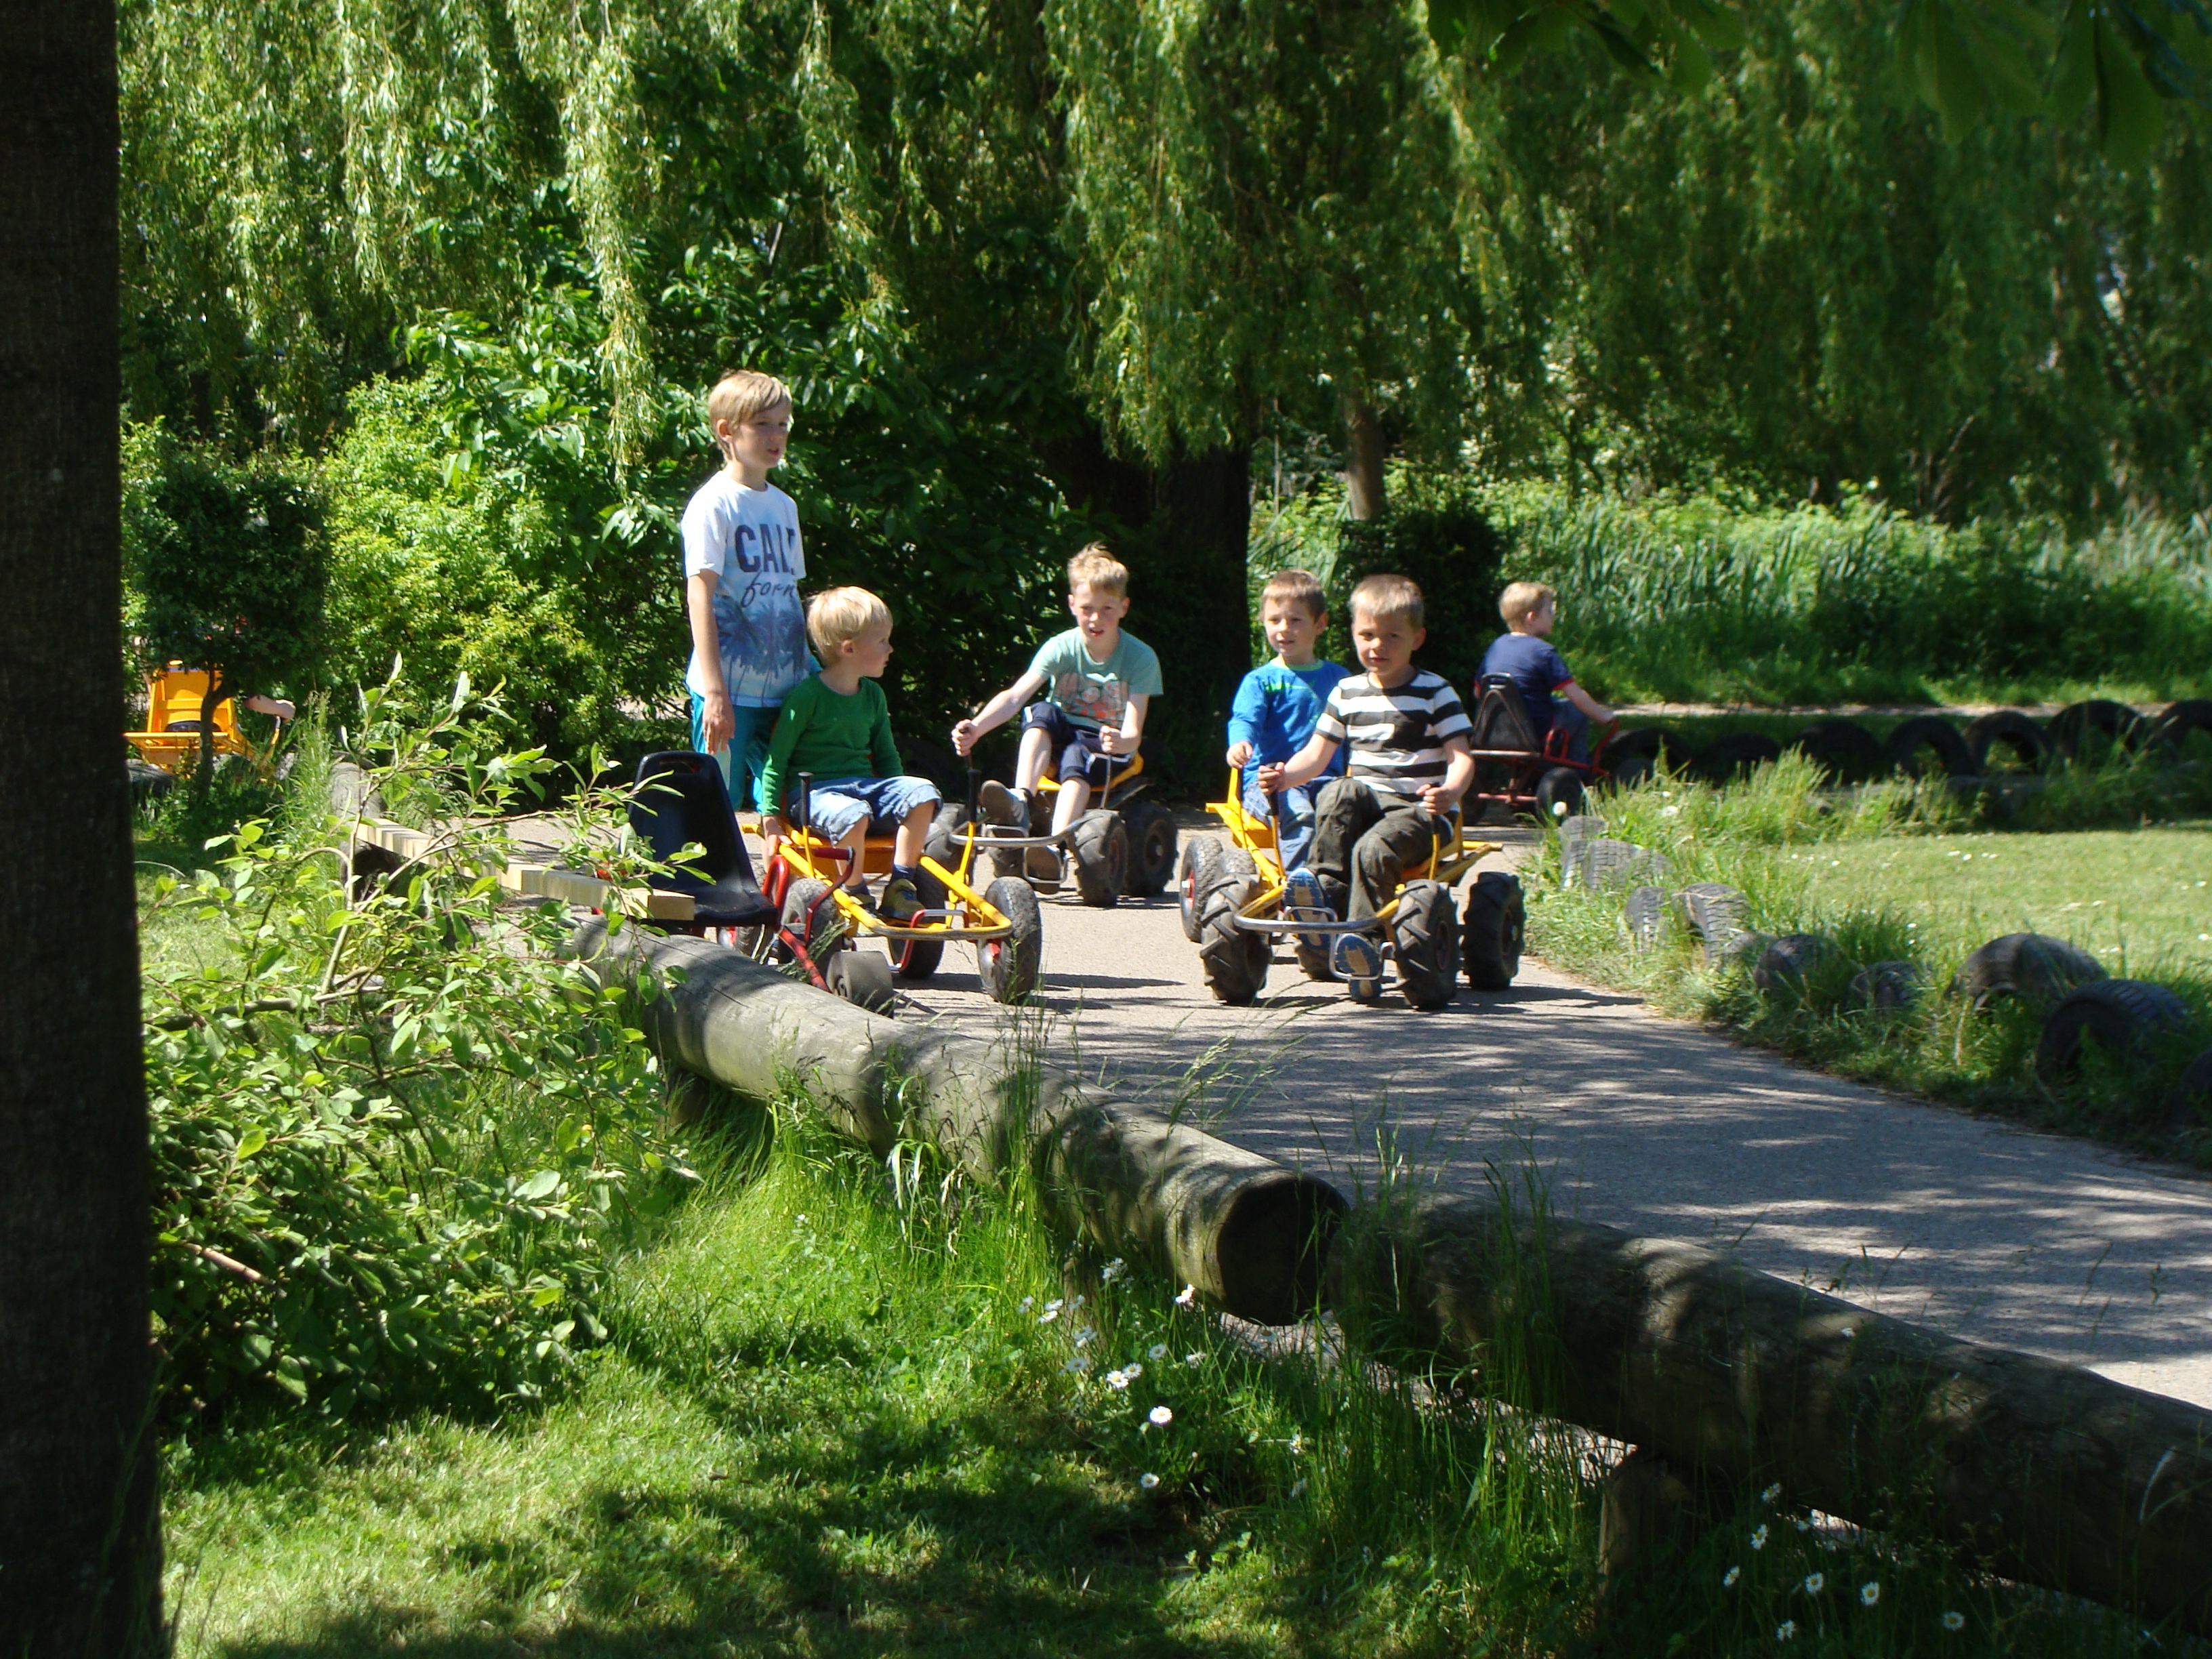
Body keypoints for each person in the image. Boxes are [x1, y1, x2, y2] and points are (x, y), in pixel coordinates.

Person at [1258, 574, 1474, 935]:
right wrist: (1283, 777)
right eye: (1368, 635)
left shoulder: (1435, 692)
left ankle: (1363, 939)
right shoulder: (1347, 691)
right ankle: (1322, 898)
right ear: (1354, 634)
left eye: (1393, 636)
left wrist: (1449, 792)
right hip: (1368, 806)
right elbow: (1315, 756)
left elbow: (1461, 758)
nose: (1378, 646)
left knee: (1372, 848)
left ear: (1417, 639)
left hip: (1419, 813)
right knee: (1338, 791)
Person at [950, 545, 1161, 865]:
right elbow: (1015, 697)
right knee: (1041, 711)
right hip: (1063, 739)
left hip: (1107, 747)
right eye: (1087, 608)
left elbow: (1133, 733)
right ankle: (1021, 801)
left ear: (1124, 607)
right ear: (1072, 604)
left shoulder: (1140, 657)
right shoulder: (1061, 647)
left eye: (1107, 609)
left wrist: (1120, 741)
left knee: (1079, 753)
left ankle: (1054, 847)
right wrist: (976, 728)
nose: (1096, 619)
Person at [756, 588, 942, 922]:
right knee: (853, 813)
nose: (890, 649)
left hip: (864, 791)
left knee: (923, 791)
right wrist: (770, 817)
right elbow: (776, 760)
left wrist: (901, 802)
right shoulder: (808, 697)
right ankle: (854, 888)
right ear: (849, 648)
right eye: (882, 641)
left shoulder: (873, 695)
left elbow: (887, 758)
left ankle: (901, 885)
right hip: (814, 796)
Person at [680, 369, 813, 830]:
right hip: (730, 689)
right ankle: (694, 876)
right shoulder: (713, 503)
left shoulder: (784, 506)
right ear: (727, 430)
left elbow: (788, 595)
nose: (776, 436)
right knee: (714, 804)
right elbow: (700, 593)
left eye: (782, 424)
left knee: (789, 803)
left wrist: (812, 676)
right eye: (762, 425)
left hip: (786, 686)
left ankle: (778, 879)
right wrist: (715, 691)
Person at [1225, 569, 1349, 871]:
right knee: (1300, 815)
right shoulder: (1261, 681)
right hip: (1271, 784)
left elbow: (1357, 729)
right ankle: (1300, 883)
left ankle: (1339, 883)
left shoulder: (1340, 679)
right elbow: (1246, 719)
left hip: (1328, 781)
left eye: (1295, 620)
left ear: (1320, 624)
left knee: (1350, 813)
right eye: (1275, 620)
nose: (1284, 629)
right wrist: (1240, 743)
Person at [1481, 581, 1614, 763]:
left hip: (1497, 729)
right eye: (1550, 611)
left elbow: (1479, 691)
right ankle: (1577, 768)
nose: (1554, 616)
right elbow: (1576, 695)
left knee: (1553, 702)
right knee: (1575, 710)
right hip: (1537, 730)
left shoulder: (1496, 647)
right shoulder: (1544, 652)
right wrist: (1603, 717)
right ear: (1532, 618)